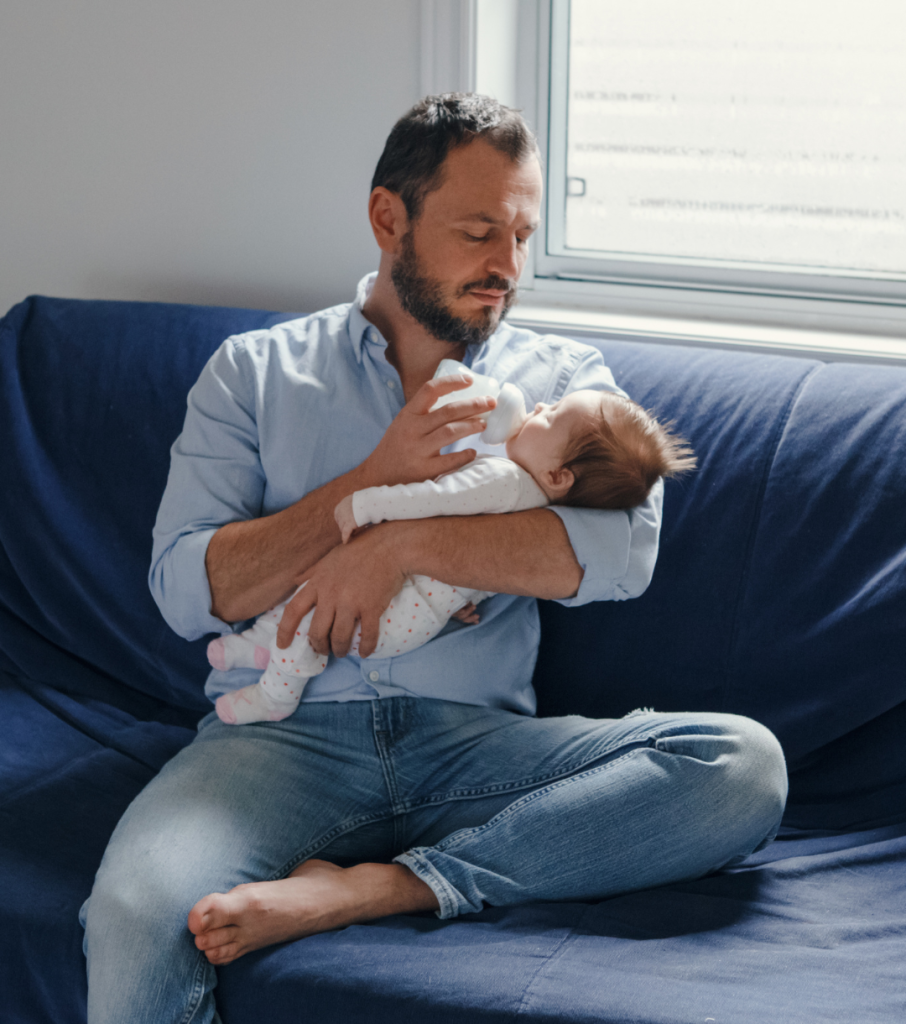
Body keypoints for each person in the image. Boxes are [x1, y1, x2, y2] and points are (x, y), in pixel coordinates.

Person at [80, 94, 787, 1024]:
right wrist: (370, 482)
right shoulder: (252, 374)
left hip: (477, 747)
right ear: (389, 218)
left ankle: (389, 887)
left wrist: (403, 543)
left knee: (741, 765)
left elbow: (619, 556)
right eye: (479, 230)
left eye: (524, 236)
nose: (506, 266)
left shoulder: (566, 385)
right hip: (280, 744)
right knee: (133, 912)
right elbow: (188, 589)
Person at [210, 387, 695, 725]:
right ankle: (257, 648)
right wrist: (454, 597)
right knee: (317, 597)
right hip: (423, 615)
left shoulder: (500, 479)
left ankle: (275, 692)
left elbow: (430, 501)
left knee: (319, 604)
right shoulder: (533, 505)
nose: (540, 404)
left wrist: (369, 502)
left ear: (560, 475)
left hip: (403, 623)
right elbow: (487, 570)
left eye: (550, 415)